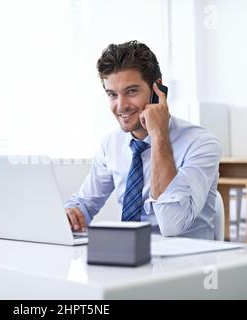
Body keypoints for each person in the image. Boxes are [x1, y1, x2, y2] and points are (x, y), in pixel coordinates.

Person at [65, 40, 221, 239]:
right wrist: (72, 214)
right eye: (112, 94)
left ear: (157, 89)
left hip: (187, 263)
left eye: (131, 91)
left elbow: (172, 224)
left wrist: (159, 136)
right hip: (129, 259)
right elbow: (84, 205)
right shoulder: (111, 144)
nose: (121, 106)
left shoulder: (201, 143)